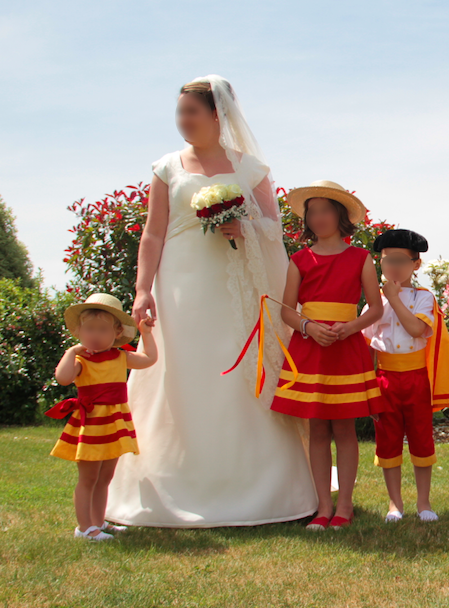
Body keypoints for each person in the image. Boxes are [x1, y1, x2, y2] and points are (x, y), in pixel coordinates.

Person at [106, 76, 318, 527]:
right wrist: (143, 289)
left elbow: (273, 228)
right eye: (179, 112)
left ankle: (262, 488)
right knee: (182, 372)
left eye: (191, 112)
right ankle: (173, 483)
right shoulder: (166, 167)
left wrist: (245, 226)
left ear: (217, 115)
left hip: (233, 287)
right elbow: (153, 232)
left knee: (234, 373)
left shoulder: (251, 169)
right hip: (180, 285)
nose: (183, 120)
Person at [270, 180, 387, 530]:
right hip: (310, 349)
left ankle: (345, 505)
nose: (319, 218)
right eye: (313, 212)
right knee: (317, 429)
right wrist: (308, 327)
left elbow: (376, 308)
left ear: (340, 216)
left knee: (345, 429)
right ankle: (323, 506)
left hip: (346, 348)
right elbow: (286, 311)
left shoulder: (360, 258)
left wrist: (351, 328)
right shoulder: (299, 260)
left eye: (325, 210)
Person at [362, 229, 449, 523]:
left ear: (416, 265)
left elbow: (417, 330)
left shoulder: (424, 298)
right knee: (388, 439)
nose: (393, 266)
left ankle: (424, 503)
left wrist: (393, 298)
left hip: (417, 379)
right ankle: (395, 504)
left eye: (400, 260)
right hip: (384, 380)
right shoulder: (374, 302)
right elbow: (367, 342)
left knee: (422, 438)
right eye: (386, 260)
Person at [48, 294, 157, 540]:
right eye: (88, 329)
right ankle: (84, 528)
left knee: (105, 477)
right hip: (91, 424)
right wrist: (72, 350)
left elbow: (150, 359)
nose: (94, 335)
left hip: (114, 422)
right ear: (79, 332)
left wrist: (146, 334)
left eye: (102, 329)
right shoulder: (80, 359)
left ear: (117, 332)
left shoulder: (120, 357)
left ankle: (98, 522)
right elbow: (63, 378)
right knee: (88, 478)